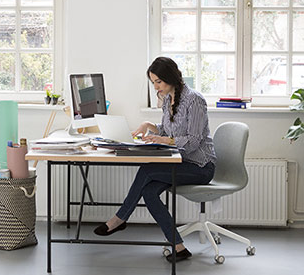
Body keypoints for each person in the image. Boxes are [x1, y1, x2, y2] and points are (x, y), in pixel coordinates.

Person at [93, 57, 216, 262]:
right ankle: (179, 247)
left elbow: (193, 142)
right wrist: (148, 126)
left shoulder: (195, 100)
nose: (156, 86)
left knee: (147, 170)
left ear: (170, 78)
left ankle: (120, 218)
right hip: (179, 161)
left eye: (158, 81)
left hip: (200, 166)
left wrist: (165, 139)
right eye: (153, 82)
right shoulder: (168, 98)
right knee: (149, 193)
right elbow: (167, 131)